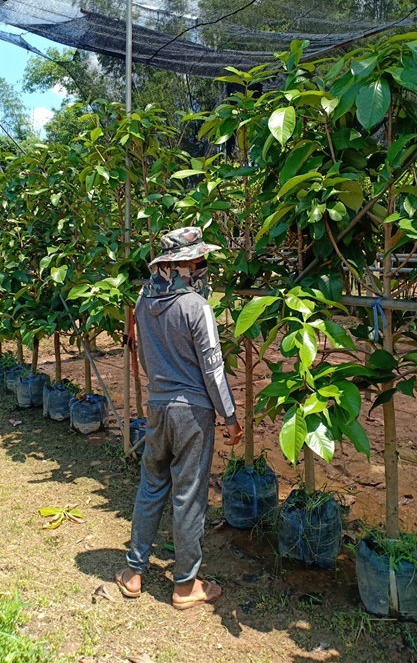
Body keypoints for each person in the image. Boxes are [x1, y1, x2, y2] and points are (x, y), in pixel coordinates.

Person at [115, 227, 242, 609]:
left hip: (158, 406)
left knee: (152, 484)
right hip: (193, 412)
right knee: (189, 494)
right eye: (199, 262)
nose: (203, 269)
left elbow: (141, 354)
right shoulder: (195, 306)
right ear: (184, 265)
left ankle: (134, 572)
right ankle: (186, 585)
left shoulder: (142, 303)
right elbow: (213, 368)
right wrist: (230, 415)